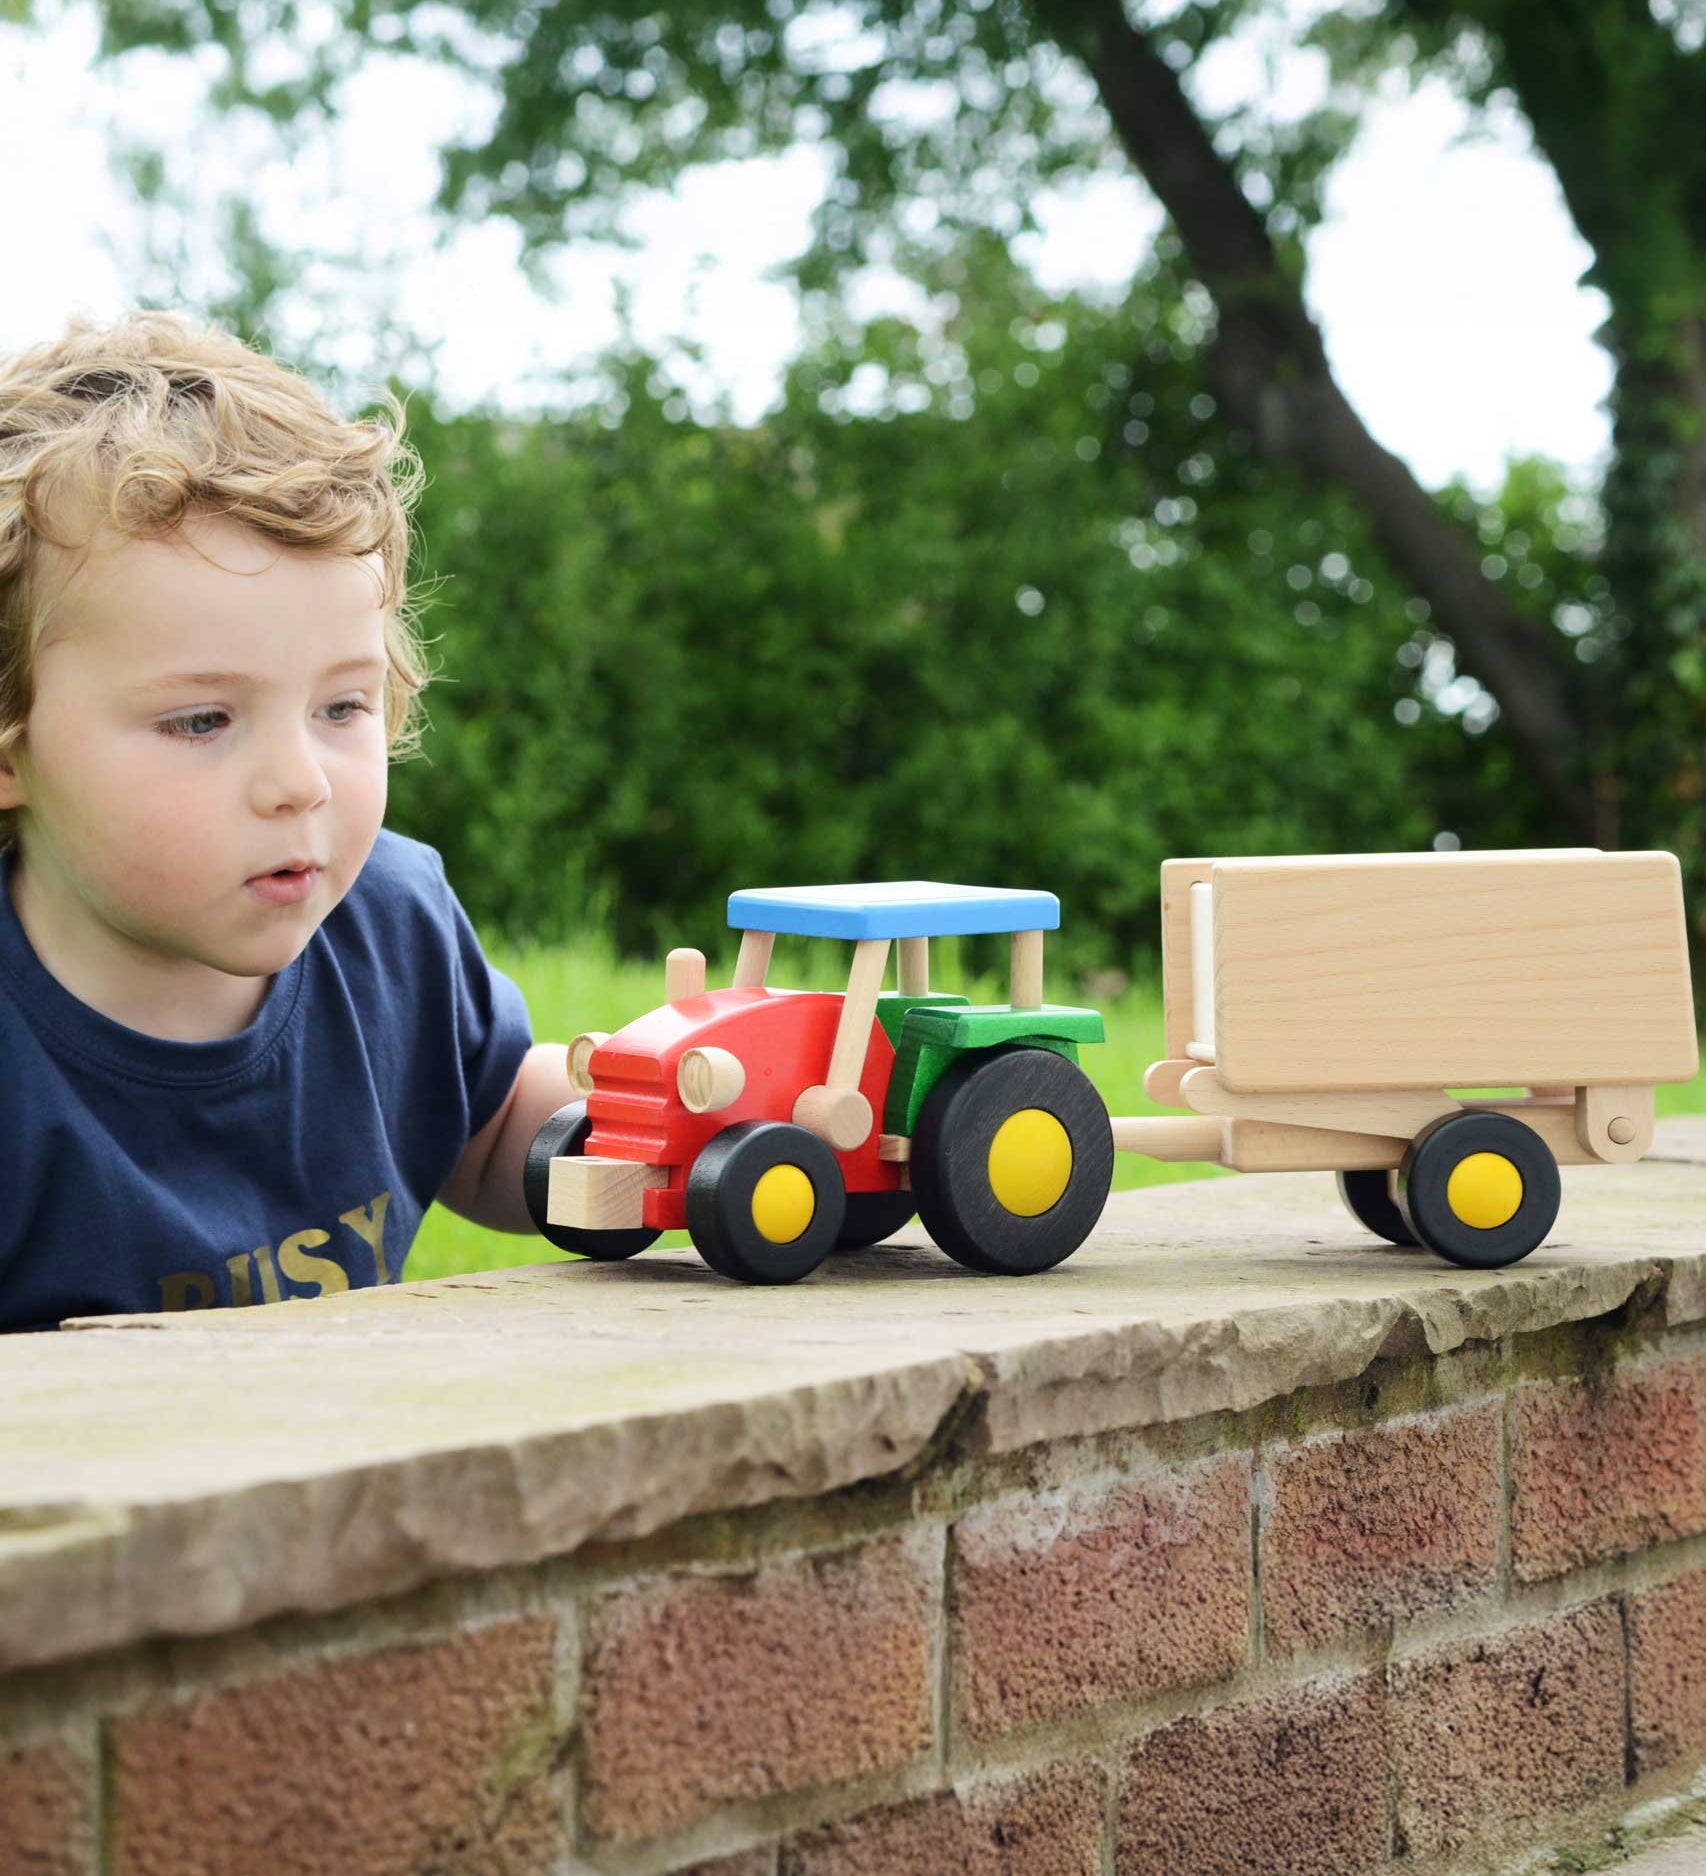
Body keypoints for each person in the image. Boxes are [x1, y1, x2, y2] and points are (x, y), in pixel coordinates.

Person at [0, 308, 577, 1331]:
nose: (299, 781)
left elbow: (487, 1136)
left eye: (342, 706)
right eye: (202, 719)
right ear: (14, 749)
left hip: (343, 1483)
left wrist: (647, 1117)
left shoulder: (391, 924)